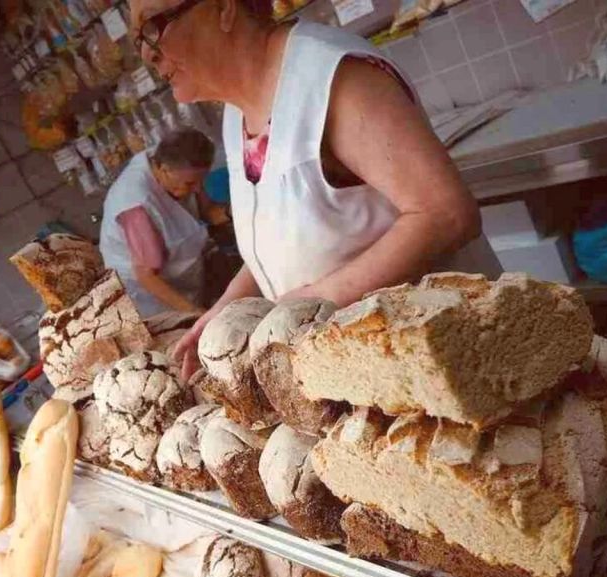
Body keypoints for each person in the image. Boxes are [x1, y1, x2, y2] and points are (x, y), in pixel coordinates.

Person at [130, 0, 482, 378]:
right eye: (138, 40)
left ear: (224, 8)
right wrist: (225, 312)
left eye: (153, 26)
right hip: (367, 372)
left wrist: (304, 306)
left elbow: (446, 214)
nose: (148, 53)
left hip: (448, 359)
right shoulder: (237, 115)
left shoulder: (331, 78)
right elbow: (283, 237)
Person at [100, 127, 216, 317]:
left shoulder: (169, 161)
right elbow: (146, 275)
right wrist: (196, 314)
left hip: (181, 274)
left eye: (200, 181)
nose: (197, 189)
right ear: (163, 170)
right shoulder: (136, 207)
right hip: (149, 296)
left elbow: (208, 211)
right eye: (189, 184)